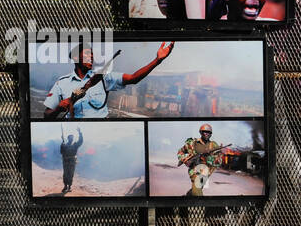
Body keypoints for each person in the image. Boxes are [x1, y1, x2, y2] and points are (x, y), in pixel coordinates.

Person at [43, 41, 174, 119]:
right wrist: (59, 108)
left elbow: (133, 78)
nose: (92, 57)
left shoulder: (103, 77)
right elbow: (47, 115)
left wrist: (157, 60)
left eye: (92, 54)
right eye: (87, 54)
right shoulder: (62, 83)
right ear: (76, 58)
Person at [177, 124, 225, 197]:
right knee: (197, 189)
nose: (207, 134)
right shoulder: (192, 143)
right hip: (195, 171)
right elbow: (180, 152)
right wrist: (185, 160)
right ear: (201, 132)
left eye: (209, 132)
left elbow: (219, 161)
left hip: (206, 172)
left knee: (197, 189)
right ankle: (202, 206)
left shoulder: (213, 145)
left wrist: (209, 157)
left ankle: (187, 198)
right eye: (205, 132)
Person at [60, 127, 84, 194]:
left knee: (71, 174)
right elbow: (61, 152)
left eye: (72, 138)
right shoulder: (64, 144)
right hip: (65, 161)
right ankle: (65, 186)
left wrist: (80, 133)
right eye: (70, 137)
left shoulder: (75, 145)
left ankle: (69, 186)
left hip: (72, 161)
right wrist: (62, 143)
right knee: (65, 174)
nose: (71, 139)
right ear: (68, 138)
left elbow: (81, 141)